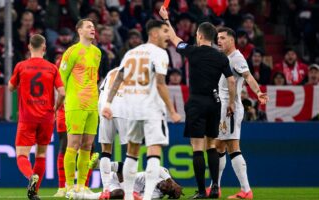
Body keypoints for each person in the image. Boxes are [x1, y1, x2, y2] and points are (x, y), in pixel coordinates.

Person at [159, 6, 236, 199]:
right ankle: (216, 187)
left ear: (200, 36)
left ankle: (202, 191)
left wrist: (166, 19)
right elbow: (231, 80)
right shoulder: (221, 56)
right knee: (212, 145)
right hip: (215, 102)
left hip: (196, 102)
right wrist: (231, 103)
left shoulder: (192, 51)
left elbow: (174, 38)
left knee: (197, 147)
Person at [102, 19, 181, 200]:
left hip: (132, 111)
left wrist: (108, 103)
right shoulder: (160, 53)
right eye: (165, 32)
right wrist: (172, 110)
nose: (168, 36)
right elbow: (160, 84)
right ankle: (146, 198)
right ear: (154, 33)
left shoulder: (131, 53)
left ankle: (129, 196)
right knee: (154, 153)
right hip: (152, 110)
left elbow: (119, 78)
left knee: (132, 153)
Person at [210, 27, 269, 199]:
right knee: (219, 147)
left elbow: (248, 76)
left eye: (222, 38)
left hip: (231, 108)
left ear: (231, 40)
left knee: (233, 148)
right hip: (222, 108)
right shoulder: (225, 57)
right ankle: (216, 187)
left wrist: (258, 92)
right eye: (217, 38)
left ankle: (246, 190)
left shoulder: (237, 57)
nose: (218, 41)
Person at [8, 34, 65, 200]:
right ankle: (34, 192)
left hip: (27, 117)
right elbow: (62, 92)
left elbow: (10, 87)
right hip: (47, 117)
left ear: (29, 47)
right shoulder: (52, 68)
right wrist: (55, 108)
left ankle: (30, 176)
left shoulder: (21, 66)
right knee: (41, 155)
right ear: (45, 48)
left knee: (22, 155)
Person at [59, 18, 102, 197]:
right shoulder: (71, 52)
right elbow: (61, 78)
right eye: (88, 26)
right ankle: (69, 186)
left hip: (93, 104)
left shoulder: (98, 52)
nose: (92, 29)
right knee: (73, 145)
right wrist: (62, 101)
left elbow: (94, 79)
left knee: (87, 145)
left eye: (93, 26)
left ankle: (82, 186)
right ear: (79, 31)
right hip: (76, 104)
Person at [71, 163, 184, 200]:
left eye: (166, 190)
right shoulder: (163, 173)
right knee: (124, 167)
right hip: (120, 176)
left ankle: (82, 196)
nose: (164, 186)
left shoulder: (155, 195)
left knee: (119, 194)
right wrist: (172, 181)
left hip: (123, 187)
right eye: (168, 185)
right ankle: (99, 164)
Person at [97, 67, 128, 200]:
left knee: (106, 150)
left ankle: (106, 189)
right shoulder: (137, 71)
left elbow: (100, 91)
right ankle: (129, 189)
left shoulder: (110, 72)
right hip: (124, 110)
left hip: (105, 108)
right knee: (131, 151)